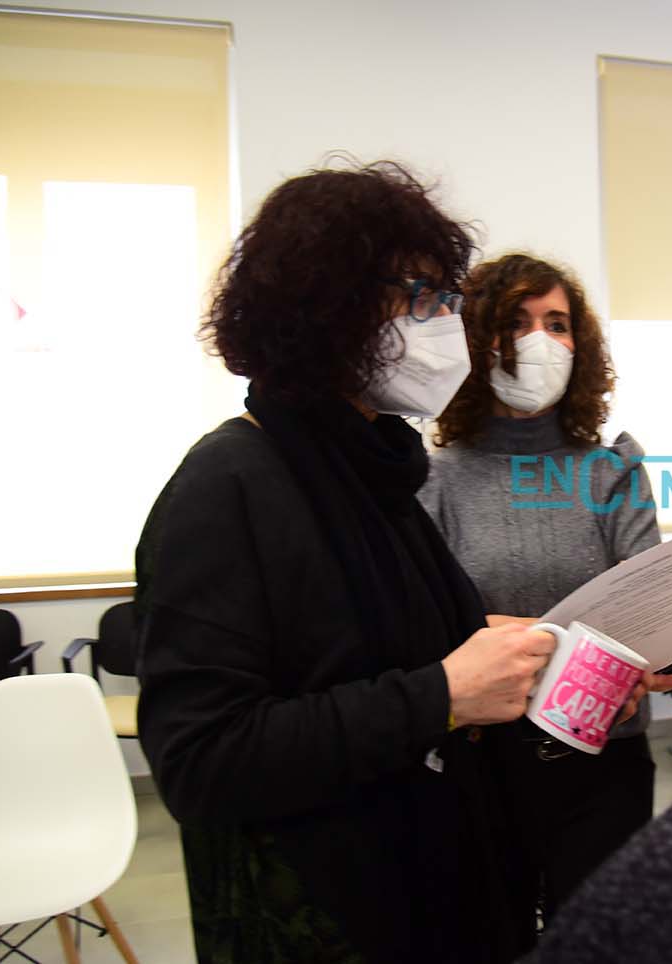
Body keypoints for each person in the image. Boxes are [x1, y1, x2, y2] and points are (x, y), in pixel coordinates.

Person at [134, 160, 557, 963]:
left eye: (448, 299)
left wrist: (523, 650)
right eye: (419, 296)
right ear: (326, 303)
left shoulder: (374, 470)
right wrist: (442, 693)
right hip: (326, 917)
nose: (445, 325)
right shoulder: (227, 485)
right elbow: (201, 762)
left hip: (435, 881)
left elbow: (380, 647)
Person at [419, 253, 672, 926]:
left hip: (604, 756)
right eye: (516, 321)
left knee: (600, 938)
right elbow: (421, 626)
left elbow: (642, 610)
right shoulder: (432, 480)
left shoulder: (611, 470)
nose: (540, 340)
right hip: (478, 762)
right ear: (477, 340)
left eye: (558, 323)